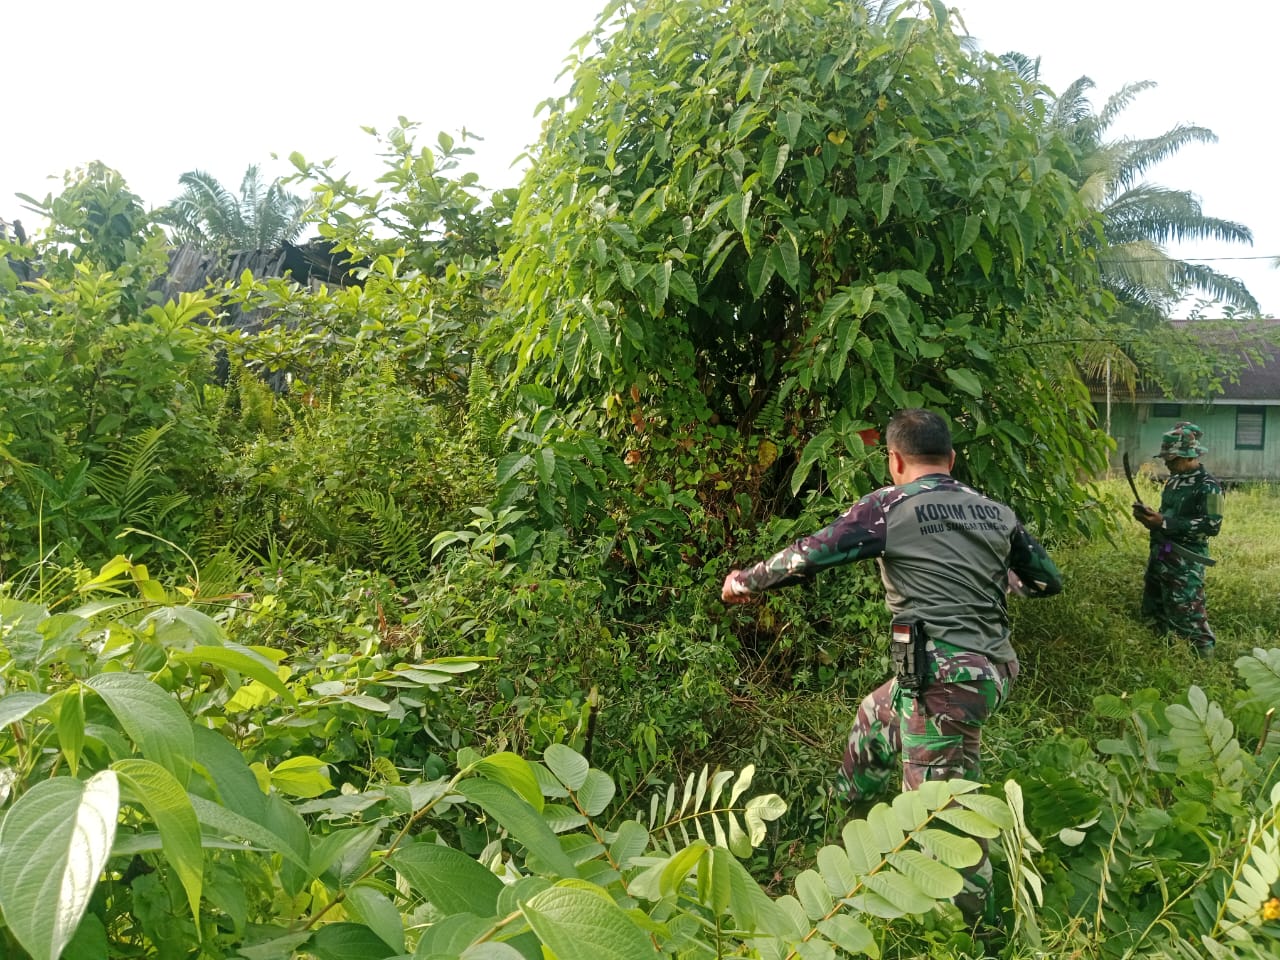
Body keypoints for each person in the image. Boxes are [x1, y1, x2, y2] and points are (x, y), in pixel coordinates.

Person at [720, 408, 1063, 918]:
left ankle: (974, 932)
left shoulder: (889, 506)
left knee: (941, 818)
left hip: (945, 682)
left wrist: (742, 582)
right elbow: (1045, 581)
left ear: (894, 460)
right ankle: (853, 831)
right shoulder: (995, 512)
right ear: (950, 459)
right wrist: (992, 577)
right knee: (874, 718)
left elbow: (809, 555)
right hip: (990, 671)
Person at [1131, 421, 1223, 656]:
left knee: (1189, 614)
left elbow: (1211, 526)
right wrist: (1150, 517)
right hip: (1162, 553)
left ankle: (1203, 662)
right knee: (1155, 607)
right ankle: (1162, 653)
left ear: (1190, 455)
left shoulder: (1209, 486)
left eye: (1172, 459)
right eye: (1166, 459)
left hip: (1185, 562)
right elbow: (1168, 516)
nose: (1167, 463)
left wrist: (1163, 522)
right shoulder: (1174, 480)